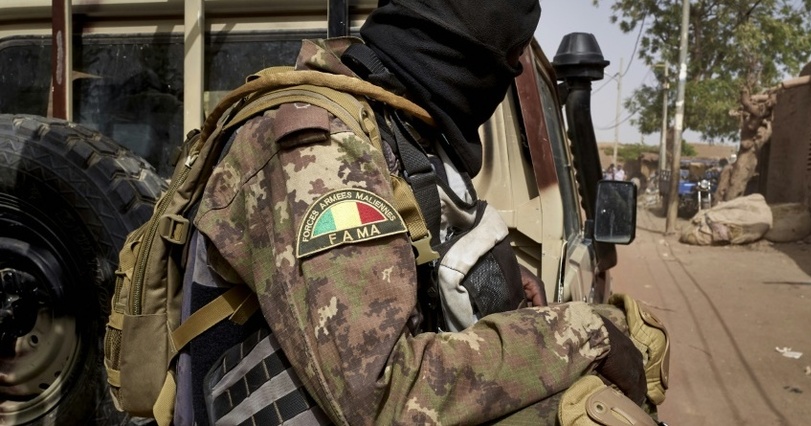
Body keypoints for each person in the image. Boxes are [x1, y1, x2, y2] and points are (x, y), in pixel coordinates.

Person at [180, 0, 666, 424]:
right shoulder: (323, 149)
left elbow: (398, 265)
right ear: (471, 58)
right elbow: (378, 392)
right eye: (511, 63)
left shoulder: (395, 128)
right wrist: (579, 333)